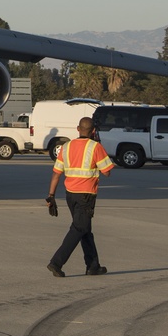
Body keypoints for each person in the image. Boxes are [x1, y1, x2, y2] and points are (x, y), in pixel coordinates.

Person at [46, 116, 115, 277]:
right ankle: (56, 262)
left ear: (78, 129)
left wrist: (51, 196)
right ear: (93, 132)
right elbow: (107, 172)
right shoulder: (95, 147)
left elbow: (56, 174)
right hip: (86, 196)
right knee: (79, 228)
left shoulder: (66, 146)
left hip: (70, 195)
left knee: (85, 229)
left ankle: (93, 266)